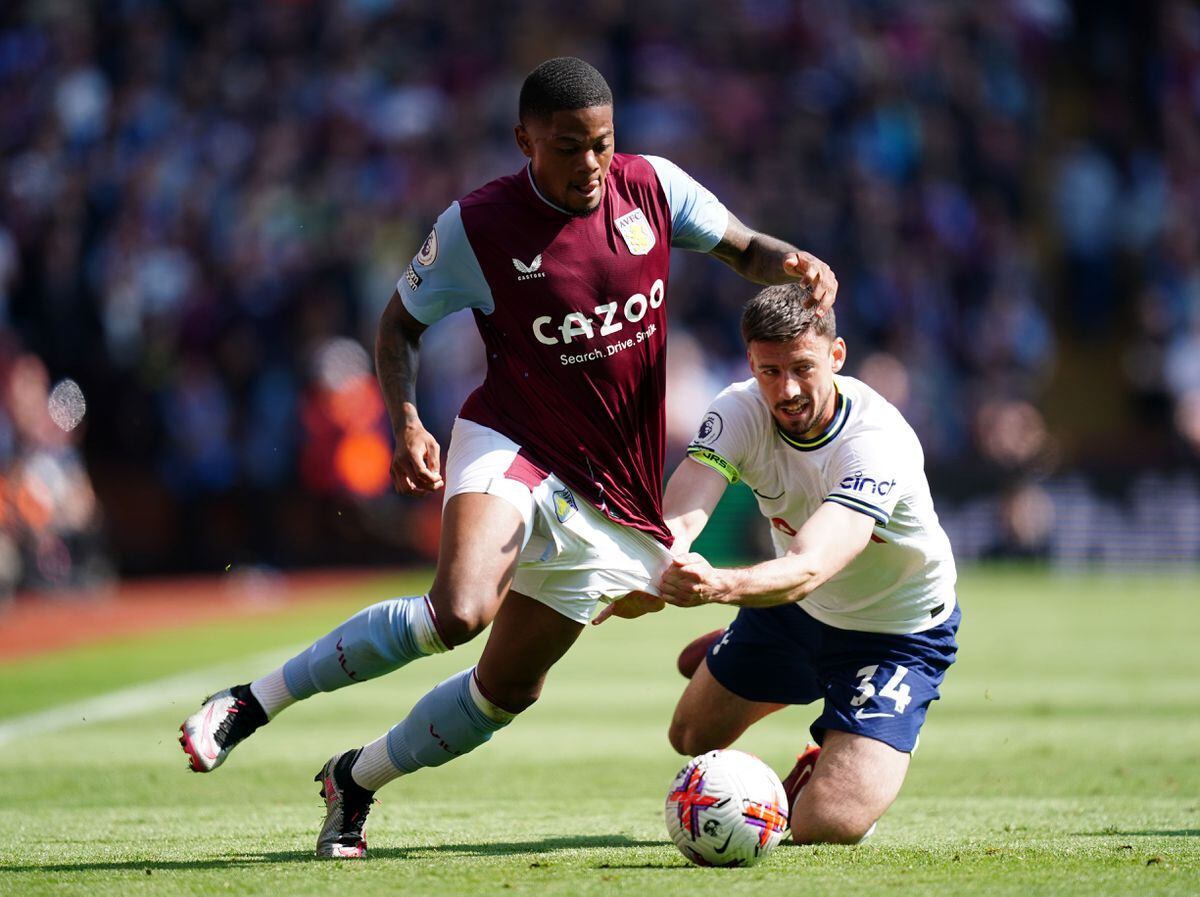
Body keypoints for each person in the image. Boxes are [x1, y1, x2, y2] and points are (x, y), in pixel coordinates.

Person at [178, 57, 838, 858]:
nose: (590, 164)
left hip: (613, 486)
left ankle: (353, 780)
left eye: (602, 143)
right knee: (455, 612)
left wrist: (795, 261)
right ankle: (251, 702)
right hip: (515, 440)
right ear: (524, 140)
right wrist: (408, 422)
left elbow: (745, 248)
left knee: (505, 692)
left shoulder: (653, 187)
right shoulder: (477, 226)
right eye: (568, 147)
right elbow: (397, 326)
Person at [596, 282, 959, 845]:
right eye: (769, 371)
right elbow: (684, 513)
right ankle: (741, 638)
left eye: (802, 368)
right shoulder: (737, 410)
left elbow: (810, 565)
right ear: (750, 362)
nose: (786, 390)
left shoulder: (876, 440)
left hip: (894, 634)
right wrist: (646, 570)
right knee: (690, 735)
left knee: (827, 825)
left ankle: (813, 757)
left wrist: (718, 586)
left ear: (836, 357)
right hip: (795, 612)